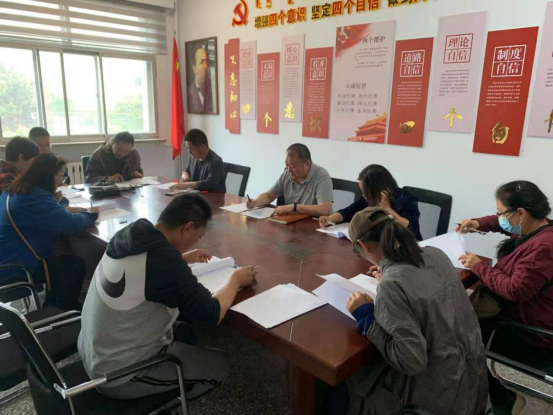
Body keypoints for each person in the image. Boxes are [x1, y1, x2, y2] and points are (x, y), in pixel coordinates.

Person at [78, 193, 257, 400]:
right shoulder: (165, 263)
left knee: (184, 330)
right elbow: (212, 313)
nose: (197, 241)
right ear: (187, 228)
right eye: (199, 236)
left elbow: (149, 268)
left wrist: (179, 258)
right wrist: (235, 280)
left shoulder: (132, 236)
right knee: (220, 365)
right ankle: (168, 404)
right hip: (119, 375)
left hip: (93, 352)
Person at [344, 207, 489, 415]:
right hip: (472, 379)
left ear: (362, 245)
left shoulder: (391, 285)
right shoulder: (435, 254)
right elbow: (420, 281)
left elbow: (412, 362)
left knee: (350, 380)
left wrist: (366, 317)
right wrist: (389, 272)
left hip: (440, 395)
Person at [457, 180, 553, 414]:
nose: (499, 218)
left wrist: (478, 266)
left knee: (456, 339)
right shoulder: (539, 228)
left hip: (528, 331)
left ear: (520, 213)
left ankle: (501, 400)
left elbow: (514, 289)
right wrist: (478, 223)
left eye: (501, 213)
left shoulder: (543, 248)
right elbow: (503, 225)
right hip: (522, 314)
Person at [0, 153, 99, 310]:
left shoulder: (15, 190)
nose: (62, 180)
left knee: (64, 256)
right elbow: (71, 224)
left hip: (8, 257)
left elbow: (47, 211)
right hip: (18, 267)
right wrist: (91, 214)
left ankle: (53, 305)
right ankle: (65, 310)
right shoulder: (34, 197)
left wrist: (61, 206)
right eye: (62, 175)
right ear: (50, 176)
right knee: (74, 265)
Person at [319, 164, 422, 240]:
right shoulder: (368, 198)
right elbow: (350, 211)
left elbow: (412, 228)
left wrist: (387, 209)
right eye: (361, 190)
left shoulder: (406, 199)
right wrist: (330, 218)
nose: (363, 195)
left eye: (365, 191)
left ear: (376, 189)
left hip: (405, 248)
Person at [247, 144, 333, 217]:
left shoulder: (321, 176)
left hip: (317, 224)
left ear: (307, 163)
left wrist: (294, 207)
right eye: (287, 165)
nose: (289, 170)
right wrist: (255, 202)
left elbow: (325, 209)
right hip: (293, 221)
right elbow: (269, 195)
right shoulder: (287, 174)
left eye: (293, 166)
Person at [187, 46, 213, 113]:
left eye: (206, 61)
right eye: (201, 62)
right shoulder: (189, 92)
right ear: (194, 68)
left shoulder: (211, 89)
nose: (206, 66)